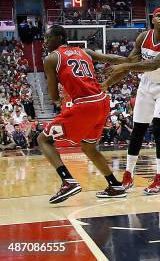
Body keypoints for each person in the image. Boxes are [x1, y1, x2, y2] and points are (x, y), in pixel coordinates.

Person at [37, 25, 127, 203]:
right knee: (88, 147)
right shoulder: (84, 51)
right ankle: (115, 185)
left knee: (43, 139)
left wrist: (61, 94)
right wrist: (133, 61)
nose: (45, 42)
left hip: (85, 104)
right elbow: (112, 58)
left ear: (59, 38)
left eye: (48, 38)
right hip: (102, 101)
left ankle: (67, 181)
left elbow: (54, 96)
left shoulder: (51, 58)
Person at [105, 8, 160, 195]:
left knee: (158, 127)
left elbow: (152, 64)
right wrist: (106, 84)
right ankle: (128, 175)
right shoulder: (143, 37)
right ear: (153, 19)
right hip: (147, 84)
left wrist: (125, 65)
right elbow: (130, 61)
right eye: (159, 16)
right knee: (138, 130)